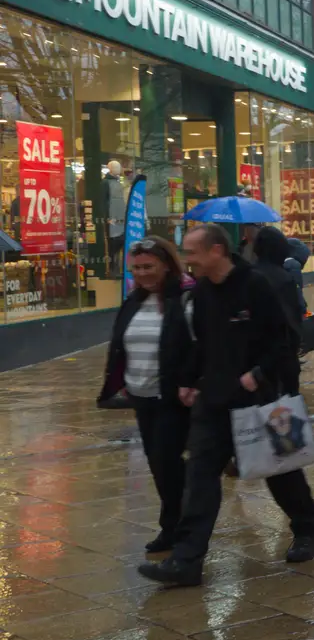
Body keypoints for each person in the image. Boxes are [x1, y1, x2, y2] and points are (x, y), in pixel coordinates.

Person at [138, 223, 314, 587]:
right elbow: (203, 343)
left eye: (192, 252)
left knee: (280, 469)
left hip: (259, 398)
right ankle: (186, 560)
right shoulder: (205, 291)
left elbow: (286, 339)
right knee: (201, 478)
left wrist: (259, 373)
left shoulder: (256, 286)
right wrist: (190, 382)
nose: (187, 260)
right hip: (215, 401)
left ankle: (309, 527)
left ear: (216, 251)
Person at [98, 236, 194, 553]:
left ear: (166, 265)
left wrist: (190, 381)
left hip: (171, 398)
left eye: (148, 266)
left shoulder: (185, 298)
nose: (142, 273)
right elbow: (119, 343)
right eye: (136, 268)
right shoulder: (134, 301)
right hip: (141, 398)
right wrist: (120, 380)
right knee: (158, 464)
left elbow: (197, 345)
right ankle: (176, 523)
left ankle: (181, 528)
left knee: (167, 463)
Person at [251, 227, 306, 394]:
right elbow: (292, 319)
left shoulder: (249, 276)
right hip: (282, 361)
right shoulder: (283, 278)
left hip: (254, 364)